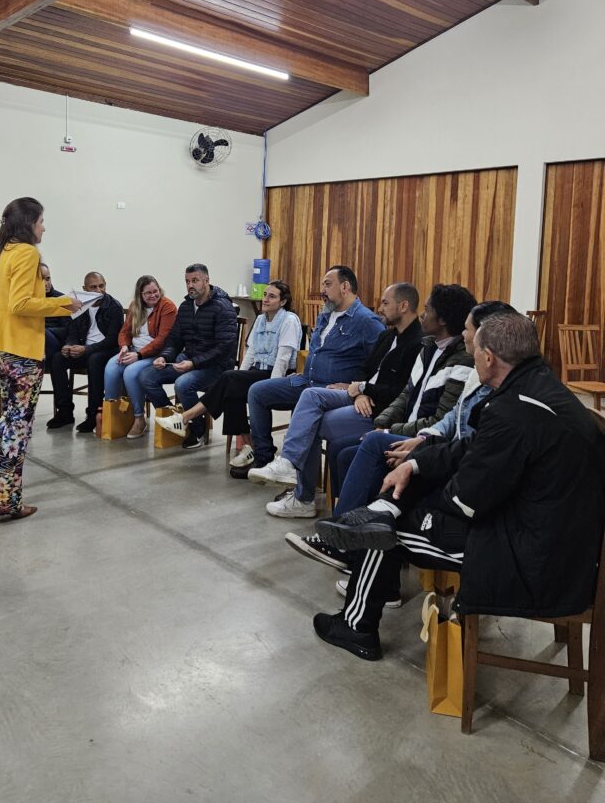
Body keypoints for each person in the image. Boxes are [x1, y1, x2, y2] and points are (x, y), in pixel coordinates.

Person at [311, 313, 605, 661]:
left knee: (381, 531)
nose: (471, 356)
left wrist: (420, 498)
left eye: (474, 349)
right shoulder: (536, 388)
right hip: (554, 537)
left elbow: (466, 501)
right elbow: (473, 448)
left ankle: (356, 626)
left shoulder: (513, 411)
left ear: (489, 357)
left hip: (533, 560)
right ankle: (380, 513)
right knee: (400, 497)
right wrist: (415, 464)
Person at [285, 299, 516, 578]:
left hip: (446, 455)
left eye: (469, 330)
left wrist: (408, 438)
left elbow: (459, 435)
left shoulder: (468, 365)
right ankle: (346, 538)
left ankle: (344, 544)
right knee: (343, 450)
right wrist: (387, 424)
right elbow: (423, 403)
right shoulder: (426, 348)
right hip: (424, 436)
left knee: (367, 448)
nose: (422, 315)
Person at [248, 282, 423, 516]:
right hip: (355, 394)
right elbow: (365, 367)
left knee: (310, 421)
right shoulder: (388, 335)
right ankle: (288, 464)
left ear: (403, 306)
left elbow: (399, 392)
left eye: (384, 303)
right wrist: (358, 389)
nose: (380, 308)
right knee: (309, 397)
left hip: (378, 408)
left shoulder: (416, 343)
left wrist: (363, 389)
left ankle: (303, 497)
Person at [0, 197, 80, 521]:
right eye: (41, 221)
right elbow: (20, 304)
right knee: (19, 427)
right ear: (29, 223)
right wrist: (63, 304)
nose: (44, 227)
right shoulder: (27, 253)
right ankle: (6, 501)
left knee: (8, 420)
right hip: (18, 350)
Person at [243, 266, 385, 508]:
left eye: (327, 284)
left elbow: (381, 362)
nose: (322, 290)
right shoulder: (325, 314)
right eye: (322, 285)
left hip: (333, 390)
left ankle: (299, 484)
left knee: (310, 406)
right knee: (257, 391)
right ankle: (265, 459)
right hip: (306, 381)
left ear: (345, 287)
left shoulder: (366, 321)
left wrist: (359, 387)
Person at [155, 280, 302, 453]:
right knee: (232, 387)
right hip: (258, 370)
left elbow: (283, 359)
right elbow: (251, 353)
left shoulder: (289, 320)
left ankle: (185, 417)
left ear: (283, 302)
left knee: (229, 379)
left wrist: (271, 385)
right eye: (264, 295)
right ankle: (249, 446)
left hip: (277, 375)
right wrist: (240, 376)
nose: (265, 299)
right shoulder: (261, 319)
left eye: (272, 296)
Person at [139, 263, 238, 450]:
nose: (190, 285)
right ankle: (176, 420)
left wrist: (193, 363)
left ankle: (197, 429)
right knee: (146, 376)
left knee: (183, 384)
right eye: (187, 281)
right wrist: (164, 356)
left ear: (206, 281)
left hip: (217, 367)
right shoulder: (186, 306)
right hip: (189, 360)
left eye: (195, 280)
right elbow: (175, 338)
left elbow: (224, 347)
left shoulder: (223, 307)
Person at [46, 272, 124, 433]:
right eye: (93, 287)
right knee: (58, 358)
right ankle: (65, 411)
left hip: (106, 350)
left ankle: (93, 414)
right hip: (85, 349)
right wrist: (69, 345)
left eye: (101, 286)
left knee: (94, 360)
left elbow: (112, 340)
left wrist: (86, 349)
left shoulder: (114, 306)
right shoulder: (80, 306)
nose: (99, 290)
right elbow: (72, 332)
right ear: (85, 289)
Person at [103, 275, 178, 438]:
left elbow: (162, 339)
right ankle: (113, 415)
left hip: (155, 354)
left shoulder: (168, 307)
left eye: (155, 291)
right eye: (148, 293)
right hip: (133, 350)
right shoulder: (135, 306)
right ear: (140, 295)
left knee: (131, 372)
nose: (153, 295)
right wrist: (124, 346)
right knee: (111, 368)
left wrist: (139, 354)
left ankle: (139, 418)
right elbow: (124, 332)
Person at [41, 263, 70, 364]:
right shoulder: (28, 302)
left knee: (41, 332)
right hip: (34, 343)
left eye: (48, 279)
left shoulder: (62, 299)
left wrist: (44, 331)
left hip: (55, 342)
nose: (46, 283)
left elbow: (67, 330)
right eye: (41, 280)